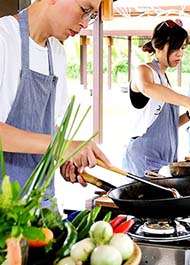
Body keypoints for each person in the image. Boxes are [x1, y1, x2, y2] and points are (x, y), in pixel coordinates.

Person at [0, 0, 111, 204]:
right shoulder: (4, 38)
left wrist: (65, 157)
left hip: (40, 204)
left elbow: (46, 125)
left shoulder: (56, 53)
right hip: (5, 214)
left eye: (92, 16)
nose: (85, 24)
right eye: (85, 10)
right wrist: (61, 145)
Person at [122, 19, 190, 177]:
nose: (180, 53)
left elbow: (168, 126)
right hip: (143, 161)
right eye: (175, 47)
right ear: (158, 46)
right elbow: (147, 87)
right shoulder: (144, 71)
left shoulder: (164, 78)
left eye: (182, 48)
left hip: (166, 163)